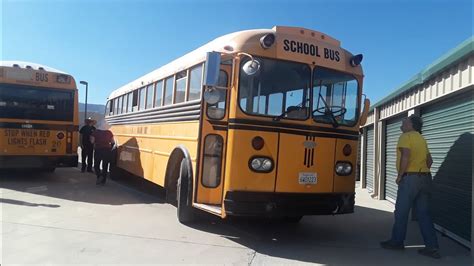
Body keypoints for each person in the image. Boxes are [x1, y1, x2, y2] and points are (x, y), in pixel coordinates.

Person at [380, 115, 440, 259]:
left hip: (410, 179)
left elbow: (406, 156)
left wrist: (400, 175)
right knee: (424, 213)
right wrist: (421, 171)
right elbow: (430, 160)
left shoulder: (405, 136)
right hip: (425, 178)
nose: (402, 122)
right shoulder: (421, 138)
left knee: (401, 211)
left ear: (411, 125)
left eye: (405, 121)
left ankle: (397, 242)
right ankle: (432, 247)